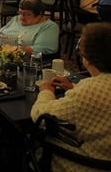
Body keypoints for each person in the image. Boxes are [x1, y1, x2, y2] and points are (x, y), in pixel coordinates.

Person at [31, 22, 111, 171]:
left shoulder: (89, 90)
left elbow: (41, 116)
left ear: (86, 58)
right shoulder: (95, 88)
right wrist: (73, 87)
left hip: (84, 163)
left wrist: (46, 91)